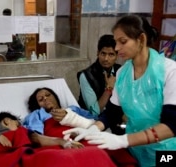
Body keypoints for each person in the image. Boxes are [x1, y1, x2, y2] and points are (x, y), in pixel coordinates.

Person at [63, 14, 176, 167]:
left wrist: (124, 140)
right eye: (116, 42)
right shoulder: (122, 74)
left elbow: (172, 125)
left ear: (141, 39)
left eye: (123, 42)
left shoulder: (169, 71)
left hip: (167, 152)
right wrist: (93, 129)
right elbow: (112, 112)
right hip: (136, 149)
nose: (117, 48)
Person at [0, 111, 83, 149]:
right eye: (18, 124)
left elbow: (38, 139)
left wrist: (63, 142)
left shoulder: (23, 132)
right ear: (6, 121)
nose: (20, 128)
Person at [77, 34, 121, 117]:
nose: (106, 59)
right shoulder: (86, 76)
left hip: (114, 117)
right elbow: (95, 112)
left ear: (117, 56)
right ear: (98, 53)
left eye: (111, 54)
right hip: (91, 120)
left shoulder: (120, 71)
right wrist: (109, 89)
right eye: (103, 54)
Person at [23, 87, 97, 134]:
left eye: (48, 95)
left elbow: (95, 121)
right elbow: (36, 135)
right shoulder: (37, 114)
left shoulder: (73, 109)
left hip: (83, 135)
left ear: (55, 97)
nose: (45, 98)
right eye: (41, 99)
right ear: (37, 105)